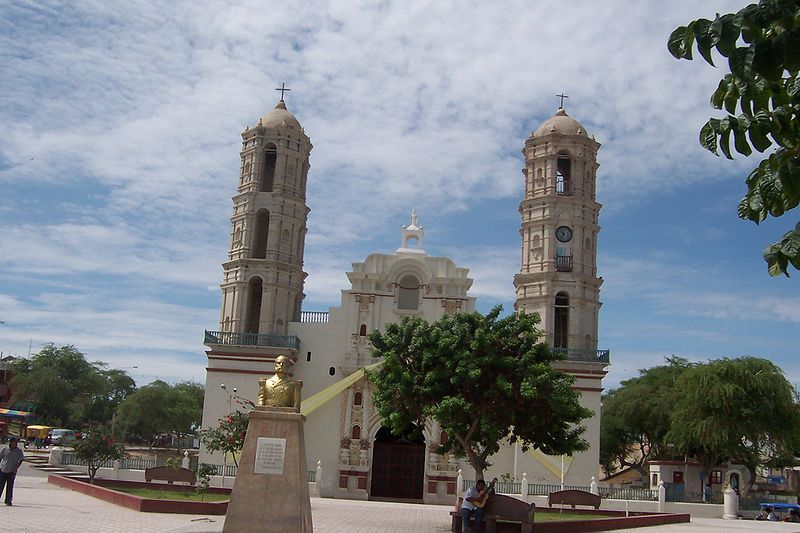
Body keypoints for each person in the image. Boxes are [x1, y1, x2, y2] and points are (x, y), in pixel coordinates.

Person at [0, 437, 24, 506]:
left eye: (16, 442)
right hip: (2, 469)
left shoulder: (19, 451)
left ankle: (8, 500)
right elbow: (0, 457)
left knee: (10, 486)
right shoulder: (5, 449)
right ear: (11, 442)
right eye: (14, 442)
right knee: (0, 485)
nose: (16, 444)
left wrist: (16, 467)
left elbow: (21, 459)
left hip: (11, 471)